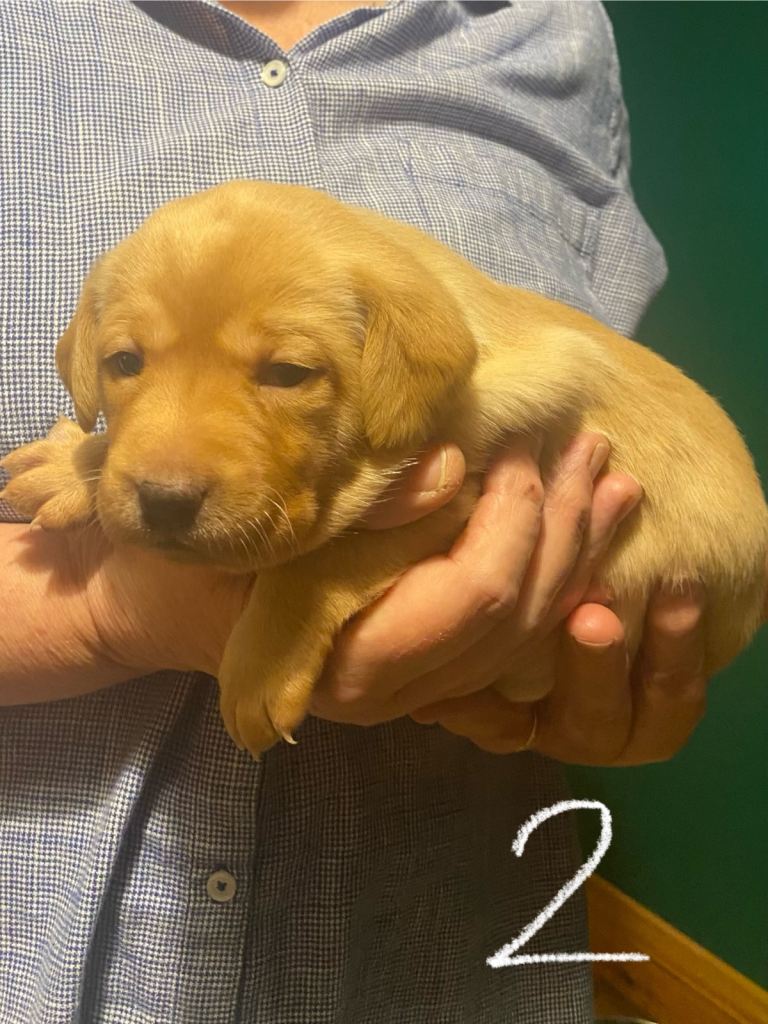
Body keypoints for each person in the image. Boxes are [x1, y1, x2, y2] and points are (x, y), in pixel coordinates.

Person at [0, 2, 720, 1021]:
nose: (165, 468)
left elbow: (524, 455)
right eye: (126, 360)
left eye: (286, 369)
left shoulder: (548, 30)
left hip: (434, 944)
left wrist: (579, 683)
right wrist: (107, 605)